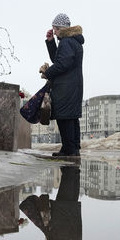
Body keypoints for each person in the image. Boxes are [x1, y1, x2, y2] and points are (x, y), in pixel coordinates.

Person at [40, 13, 84, 157]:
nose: (54, 31)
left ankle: (68, 150)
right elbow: (58, 58)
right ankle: (72, 149)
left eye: (55, 29)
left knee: (65, 117)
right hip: (72, 85)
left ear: (61, 28)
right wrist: (51, 42)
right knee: (71, 117)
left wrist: (48, 73)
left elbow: (62, 64)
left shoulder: (67, 42)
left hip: (66, 87)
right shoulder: (71, 41)